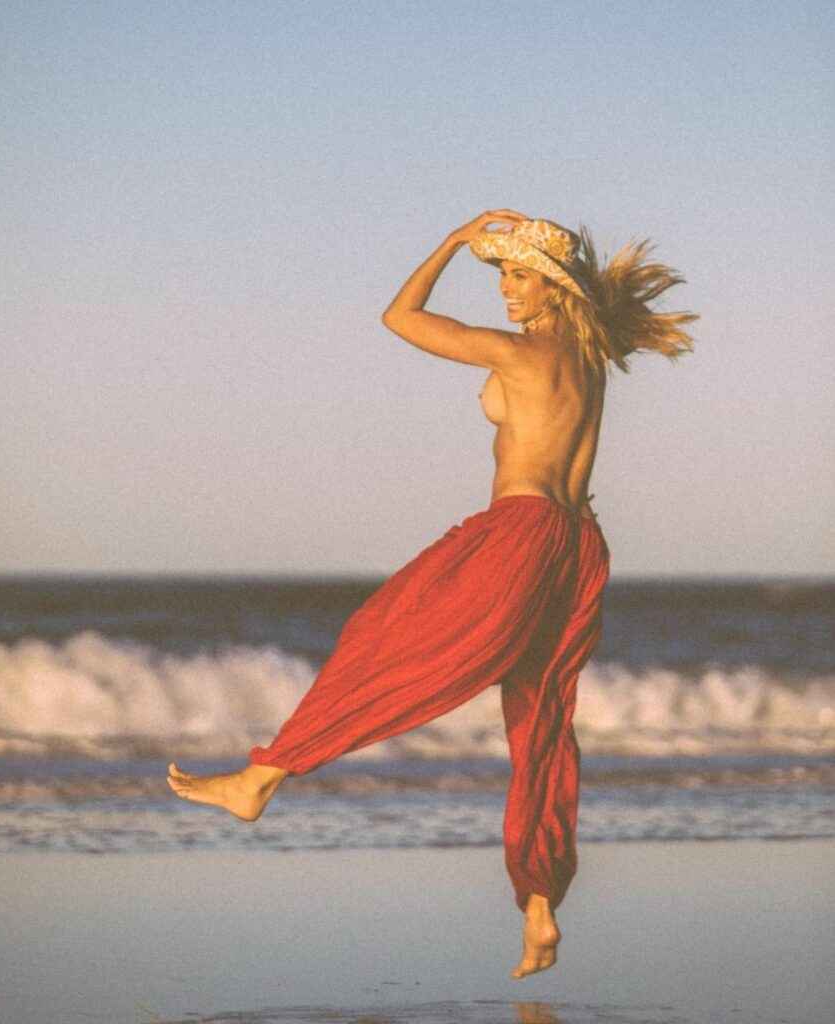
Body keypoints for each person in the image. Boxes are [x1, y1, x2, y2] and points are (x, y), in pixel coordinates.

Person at [167, 209, 698, 979]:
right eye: (500, 274)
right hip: (577, 543)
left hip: (520, 529)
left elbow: (400, 317)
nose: (506, 289)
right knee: (542, 720)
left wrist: (451, 241)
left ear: (553, 286)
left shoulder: (517, 352)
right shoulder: (588, 356)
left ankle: (262, 777)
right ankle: (540, 906)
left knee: (387, 634)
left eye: (519, 275)